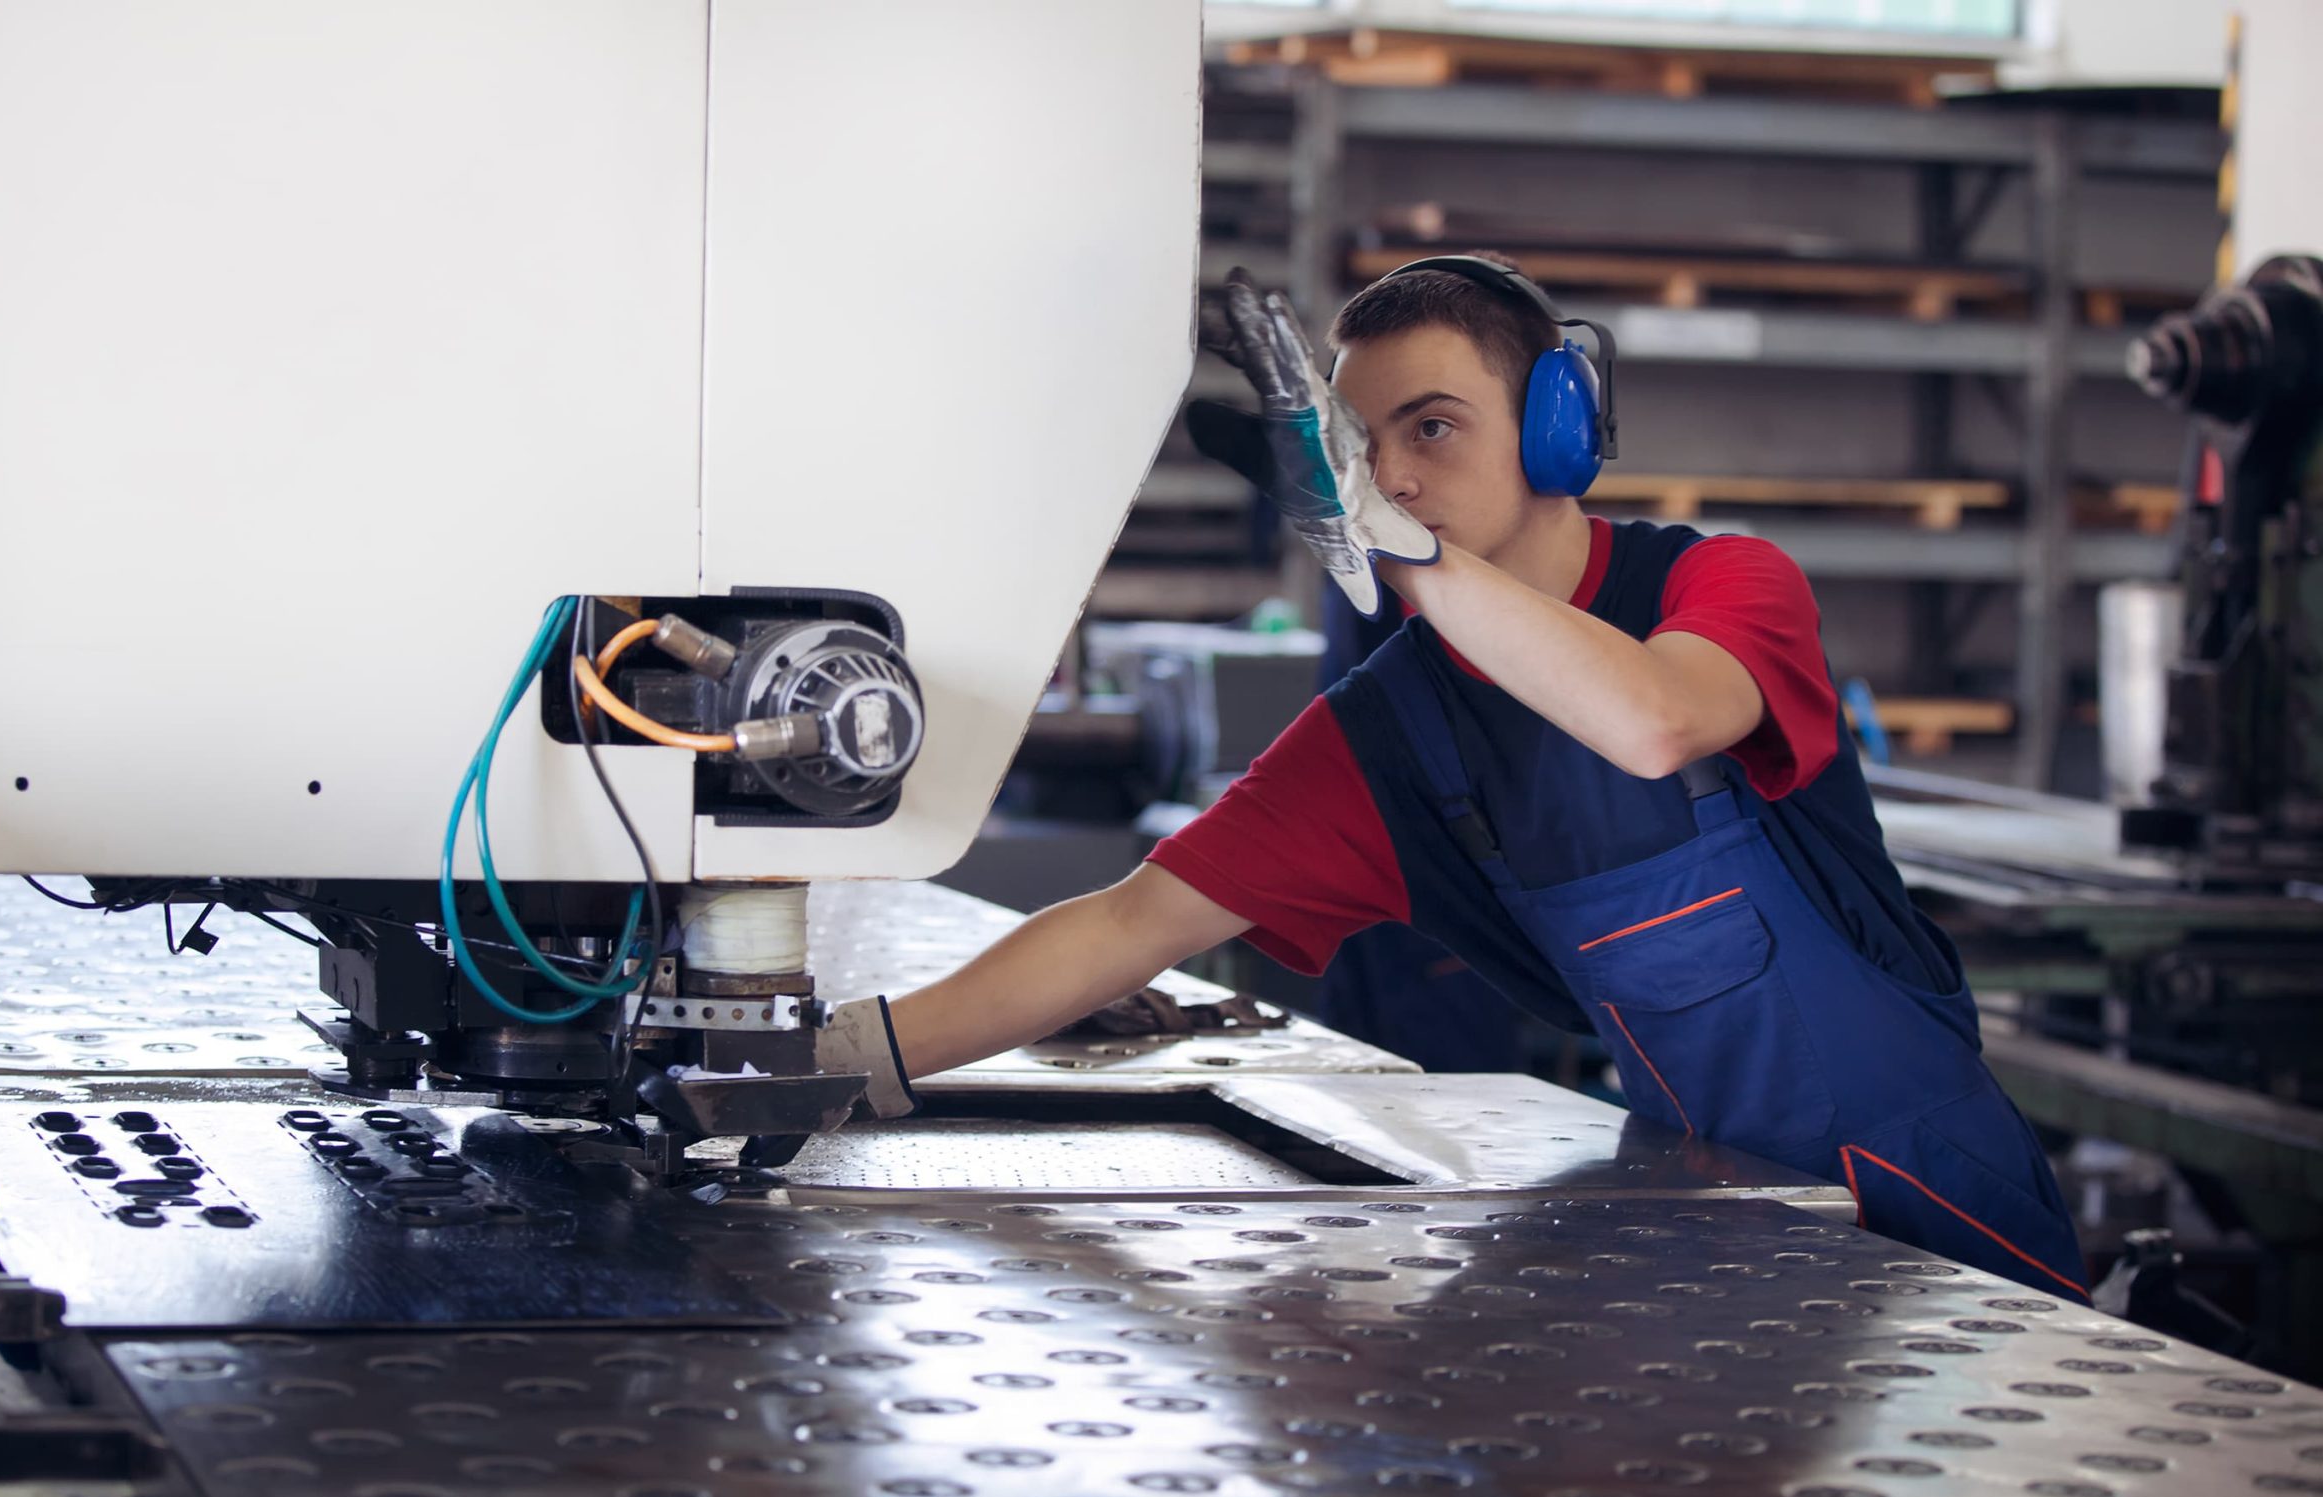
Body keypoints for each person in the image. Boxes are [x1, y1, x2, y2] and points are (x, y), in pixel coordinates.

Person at [878, 252, 2088, 1302]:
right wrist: (834, 1059)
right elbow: (1128, 923)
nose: (1392, 478)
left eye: (1434, 428)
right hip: (1719, 1200)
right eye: (1357, 449)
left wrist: (1395, 551)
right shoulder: (1395, 727)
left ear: (1558, 427)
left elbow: (1656, 720)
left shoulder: (1718, 585)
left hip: (1931, 1190)